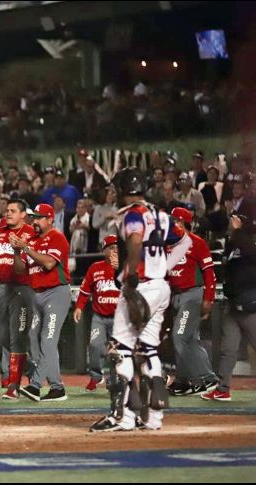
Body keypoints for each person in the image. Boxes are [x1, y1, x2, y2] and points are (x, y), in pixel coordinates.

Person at [90, 168, 192, 432]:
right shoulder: (160, 214)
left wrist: (131, 275)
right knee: (149, 350)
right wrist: (163, 268)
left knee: (120, 349)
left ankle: (122, 417)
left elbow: (135, 241)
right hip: (160, 287)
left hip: (140, 286)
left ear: (124, 190)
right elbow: (185, 242)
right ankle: (154, 418)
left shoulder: (134, 214)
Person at [12, 203, 72, 402]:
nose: (34, 221)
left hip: (56, 293)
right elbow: (20, 270)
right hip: (38, 294)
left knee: (48, 339)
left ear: (50, 219)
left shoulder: (57, 237)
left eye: (39, 217)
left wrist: (26, 248)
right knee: (34, 339)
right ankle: (57, 387)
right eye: (33, 217)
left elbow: (48, 263)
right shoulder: (33, 241)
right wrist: (16, 251)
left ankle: (36, 385)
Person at [203, 214, 256, 402]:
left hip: (250, 306)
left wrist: (240, 230)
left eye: (236, 221)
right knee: (228, 349)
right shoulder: (231, 244)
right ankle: (222, 388)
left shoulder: (250, 242)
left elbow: (250, 253)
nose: (232, 224)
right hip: (233, 304)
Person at [166, 207, 219, 396]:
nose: (173, 224)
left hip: (193, 295)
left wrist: (208, 298)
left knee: (179, 336)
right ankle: (184, 380)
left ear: (184, 223)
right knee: (189, 338)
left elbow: (209, 272)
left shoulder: (197, 243)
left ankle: (205, 377)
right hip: (176, 296)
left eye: (176, 221)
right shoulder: (168, 244)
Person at [0, 199, 37, 400]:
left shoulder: (30, 233)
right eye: (7, 210)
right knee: (1, 336)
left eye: (13, 211)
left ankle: (14, 386)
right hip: (3, 289)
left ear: (23, 214)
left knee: (18, 336)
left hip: (23, 289)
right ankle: (32, 367)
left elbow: (26, 265)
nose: (8, 213)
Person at [74, 235, 121, 392]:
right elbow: (84, 290)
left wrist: (120, 269)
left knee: (118, 352)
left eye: (117, 247)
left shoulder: (126, 267)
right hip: (99, 316)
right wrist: (79, 307)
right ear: (104, 250)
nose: (115, 250)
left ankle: (114, 379)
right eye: (111, 248)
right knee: (95, 345)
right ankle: (96, 376)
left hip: (119, 318)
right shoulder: (95, 268)